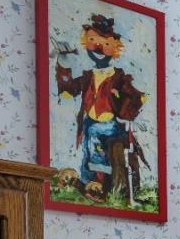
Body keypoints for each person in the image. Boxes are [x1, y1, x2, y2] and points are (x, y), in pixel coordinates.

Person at [55, 13, 148, 202]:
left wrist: (127, 113)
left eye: (105, 44)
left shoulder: (118, 76)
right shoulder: (89, 76)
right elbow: (67, 91)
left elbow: (138, 97)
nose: (98, 47)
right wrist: (64, 63)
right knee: (88, 154)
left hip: (108, 125)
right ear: (85, 43)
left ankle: (100, 188)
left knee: (99, 155)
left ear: (114, 49)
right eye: (92, 40)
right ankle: (88, 184)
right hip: (90, 124)